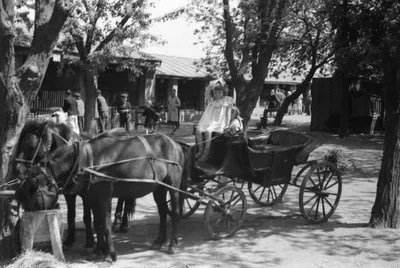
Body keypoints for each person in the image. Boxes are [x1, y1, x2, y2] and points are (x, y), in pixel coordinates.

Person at [195, 78, 233, 161]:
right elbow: (206, 94)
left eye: (219, 92)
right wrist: (210, 87)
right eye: (215, 92)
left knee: (208, 131)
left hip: (219, 122)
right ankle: (200, 149)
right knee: (198, 129)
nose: (217, 94)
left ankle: (206, 151)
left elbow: (228, 113)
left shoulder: (227, 100)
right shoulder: (212, 100)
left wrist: (227, 125)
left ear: (224, 92)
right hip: (209, 120)